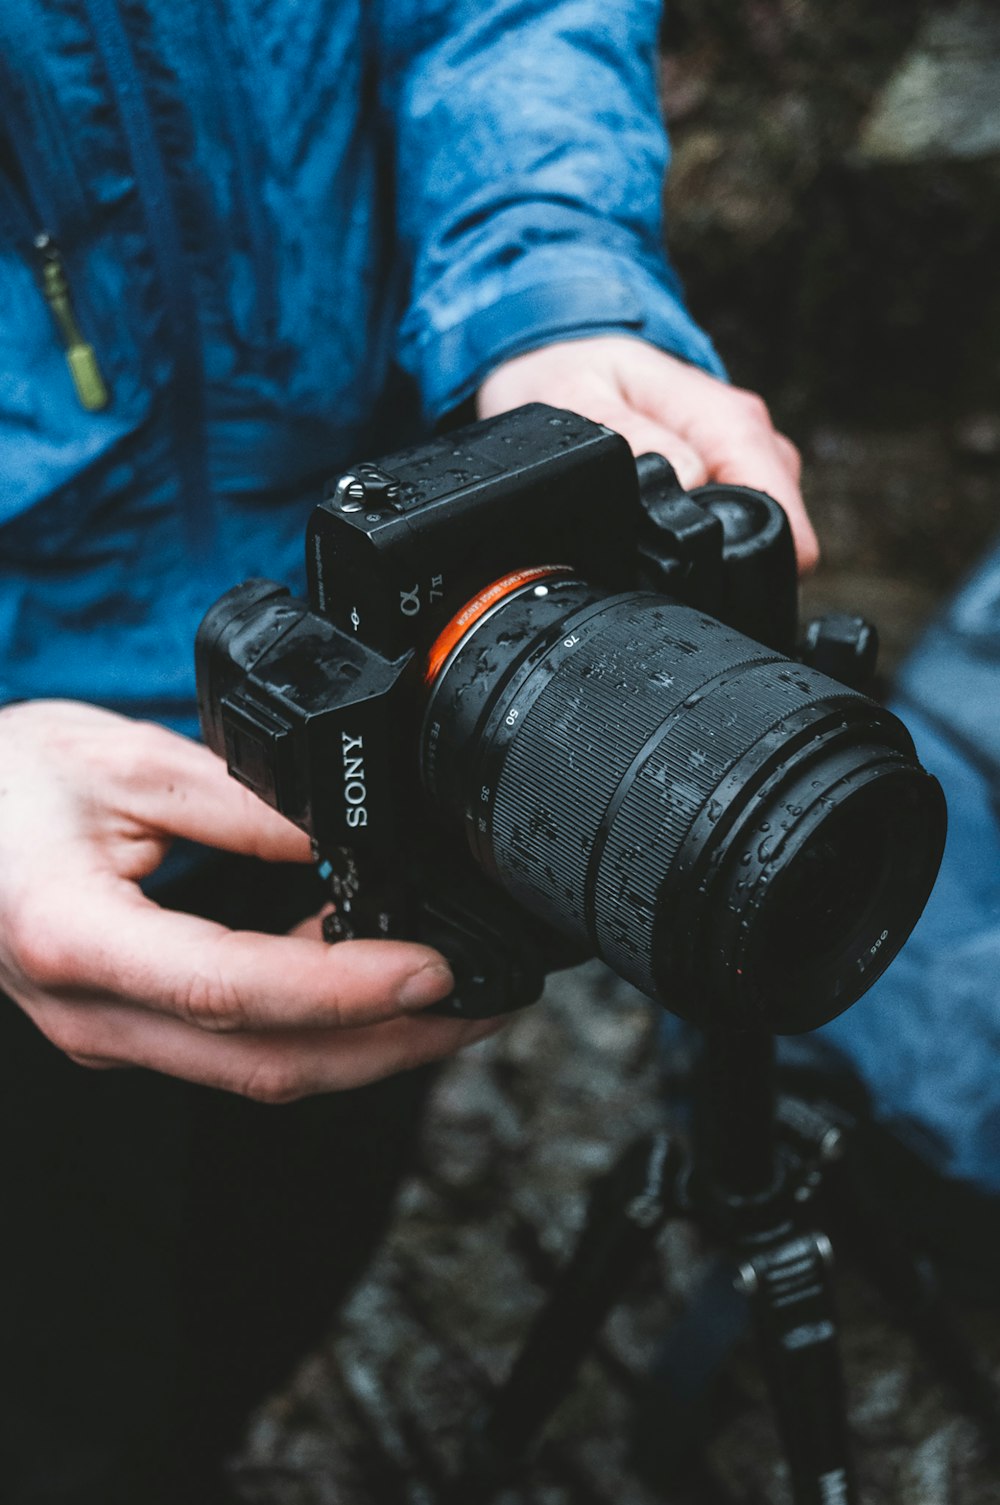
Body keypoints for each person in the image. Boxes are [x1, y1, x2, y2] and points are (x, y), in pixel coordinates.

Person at [0, 3, 812, 1500]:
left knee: (293, 1247)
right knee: (52, 1366)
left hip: (415, 700)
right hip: (27, 772)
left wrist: (549, 274)